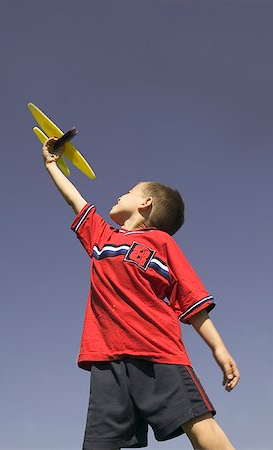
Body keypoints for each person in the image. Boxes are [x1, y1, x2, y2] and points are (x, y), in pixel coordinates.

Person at [42, 137, 240, 450]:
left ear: (145, 204)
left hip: (157, 350)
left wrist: (219, 349)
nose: (121, 193)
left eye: (130, 191)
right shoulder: (102, 237)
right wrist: (52, 165)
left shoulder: (162, 243)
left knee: (199, 427)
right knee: (98, 444)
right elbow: (75, 200)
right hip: (106, 358)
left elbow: (191, 301)